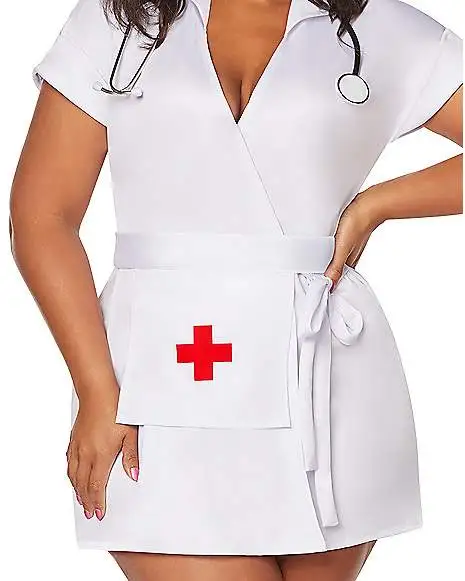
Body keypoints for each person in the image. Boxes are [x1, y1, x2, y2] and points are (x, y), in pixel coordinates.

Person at [10, 0, 462, 579]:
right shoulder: (119, 20)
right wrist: (97, 389)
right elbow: (41, 217)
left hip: (324, 391)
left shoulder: (376, 25)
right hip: (154, 389)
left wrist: (378, 204)